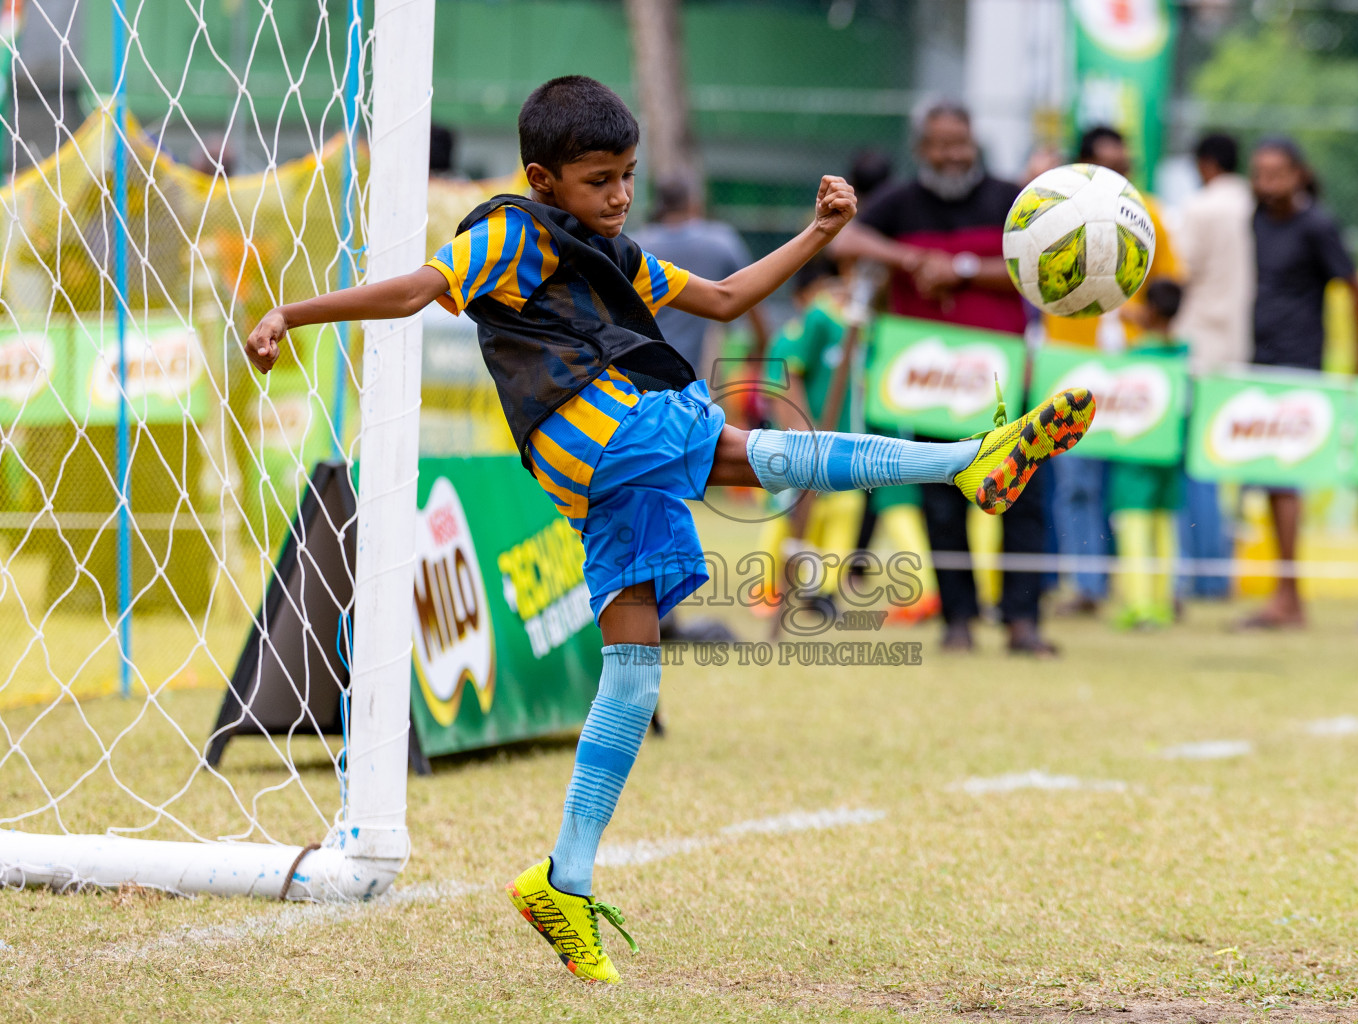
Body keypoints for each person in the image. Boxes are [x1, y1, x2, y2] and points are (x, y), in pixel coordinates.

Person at [241, 76, 1096, 983]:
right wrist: (293, 312)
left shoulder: (607, 248)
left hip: (607, 461)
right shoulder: (508, 232)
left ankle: (562, 880)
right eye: (599, 179)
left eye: (628, 176)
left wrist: (818, 235)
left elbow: (725, 299)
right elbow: (418, 288)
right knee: (751, 453)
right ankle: (968, 460)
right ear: (543, 177)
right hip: (595, 427)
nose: (619, 196)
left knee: (634, 673)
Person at [827, 99, 1059, 655]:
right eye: (940, 144)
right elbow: (843, 240)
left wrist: (959, 271)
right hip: (932, 384)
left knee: (1023, 496)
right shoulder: (901, 203)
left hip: (1005, 377)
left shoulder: (1009, 199)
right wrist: (911, 262)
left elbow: (1041, 266)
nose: (952, 154)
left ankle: (1022, 619)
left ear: (973, 142)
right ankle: (958, 618)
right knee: (943, 501)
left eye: (960, 142)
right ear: (921, 149)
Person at [1043, 126, 1184, 617]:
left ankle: (1147, 591)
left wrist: (1138, 314)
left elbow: (1170, 288)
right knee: (1076, 484)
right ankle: (1087, 586)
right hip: (1070, 369)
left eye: (1126, 168)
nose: (1120, 177)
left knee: (1130, 489)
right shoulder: (1052, 214)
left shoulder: (1150, 216)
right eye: (1109, 167)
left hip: (1130, 374)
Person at [754, 258, 941, 624]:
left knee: (843, 515)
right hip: (807, 446)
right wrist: (801, 436)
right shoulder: (818, 320)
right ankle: (767, 588)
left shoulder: (867, 328)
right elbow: (786, 377)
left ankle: (822, 592)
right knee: (787, 514)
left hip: (854, 446)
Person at [1245, 137, 1358, 629]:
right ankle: (1283, 591)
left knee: (1283, 481)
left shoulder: (1316, 225)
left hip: (1298, 366)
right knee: (1265, 482)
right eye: (1260, 173)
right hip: (1253, 361)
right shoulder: (1253, 220)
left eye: (1277, 173)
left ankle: (1289, 595)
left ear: (1299, 174)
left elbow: (1352, 287)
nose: (1267, 183)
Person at [1172, 131, 1251, 600]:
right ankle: (1220, 572)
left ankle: (1204, 574)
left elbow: (1182, 271)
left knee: (1194, 463)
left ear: (1204, 165)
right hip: (1240, 345)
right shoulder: (1250, 205)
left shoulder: (1201, 208)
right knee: (1225, 461)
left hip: (1199, 343)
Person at [629, 175, 770, 378]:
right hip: (698, 375)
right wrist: (760, 351)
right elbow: (754, 301)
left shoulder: (634, 246)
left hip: (638, 370)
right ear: (693, 202)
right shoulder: (720, 242)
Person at [1108, 280, 1187, 629]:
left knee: (1134, 527)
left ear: (1150, 310)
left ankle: (1138, 604)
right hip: (1170, 454)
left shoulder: (1134, 355)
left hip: (1135, 456)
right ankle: (1162, 602)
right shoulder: (1185, 353)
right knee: (1164, 527)